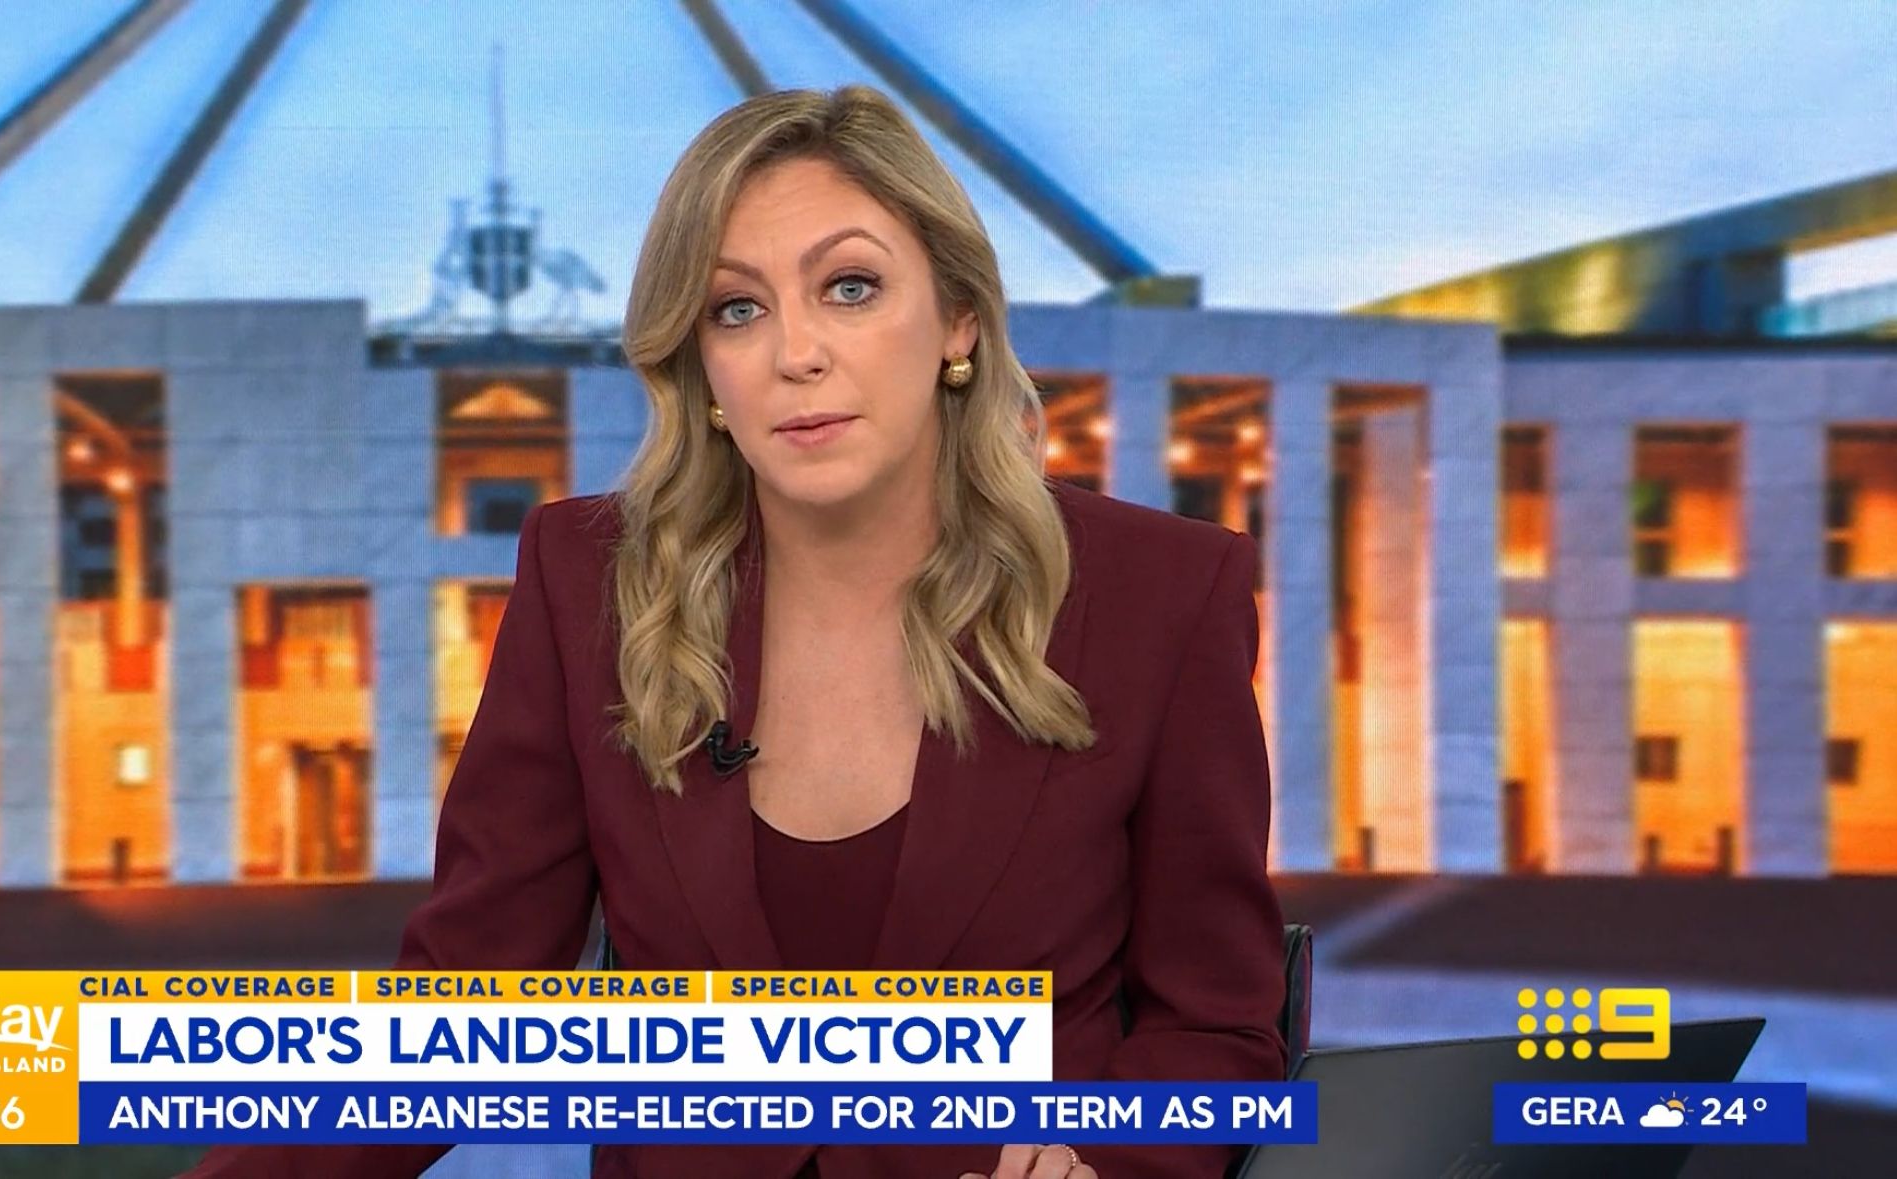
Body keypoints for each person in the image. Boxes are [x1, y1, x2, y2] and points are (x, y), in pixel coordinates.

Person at [183, 83, 1285, 1179]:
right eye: (736, 309)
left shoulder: (1161, 594)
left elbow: (1216, 1024)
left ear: (957, 319)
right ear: (702, 367)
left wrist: (1104, 1166)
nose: (795, 353)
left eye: (850, 288)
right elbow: (466, 999)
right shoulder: (591, 582)